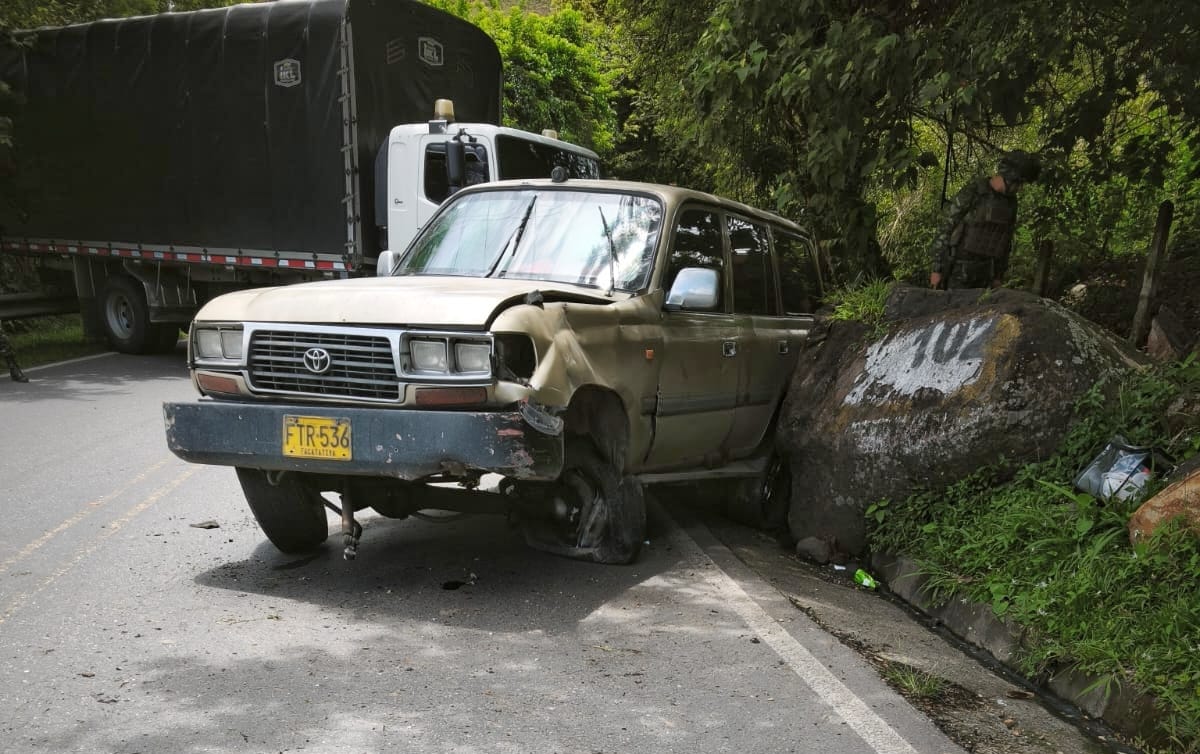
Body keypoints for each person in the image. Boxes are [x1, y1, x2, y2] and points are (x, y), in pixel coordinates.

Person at [929, 150, 1041, 290]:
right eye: (1018, 184)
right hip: (957, 270)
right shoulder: (975, 191)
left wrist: (998, 276)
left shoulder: (1011, 203)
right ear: (1009, 178)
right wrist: (937, 269)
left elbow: (1005, 240)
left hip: (985, 273)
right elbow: (946, 227)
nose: (1020, 189)